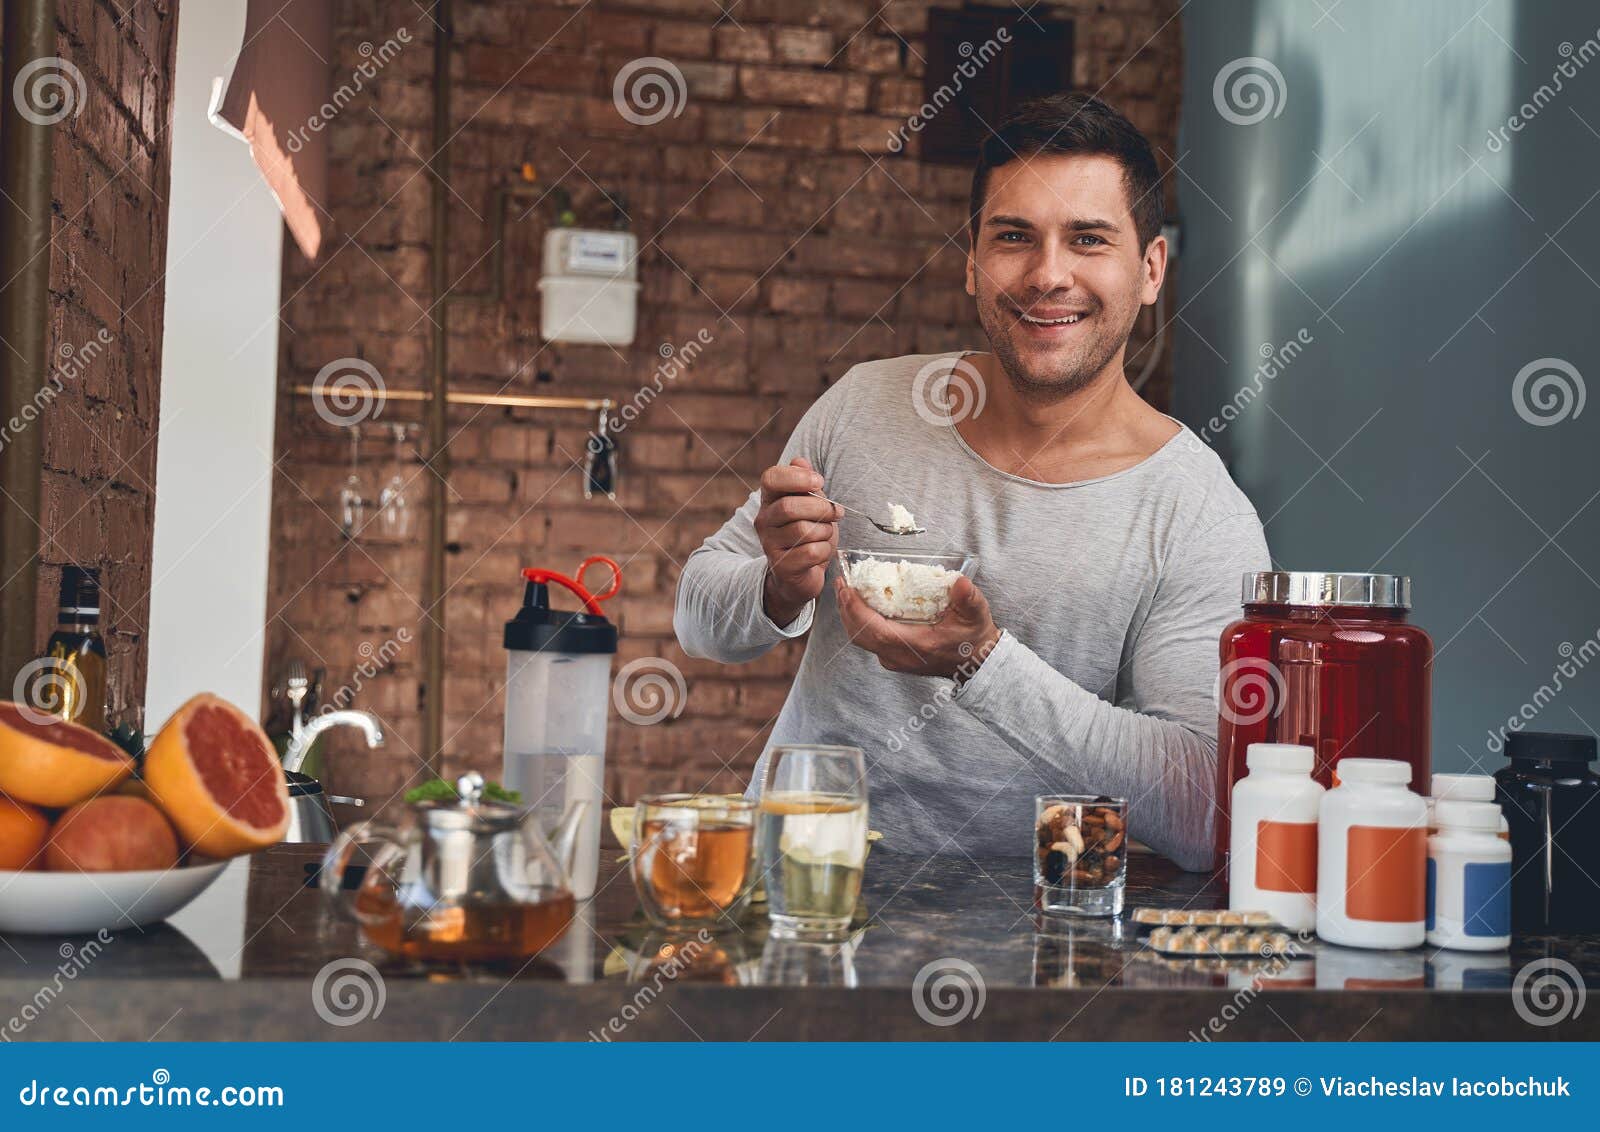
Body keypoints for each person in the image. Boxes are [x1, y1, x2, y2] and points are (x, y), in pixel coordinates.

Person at [674, 93, 1269, 870]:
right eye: (1014, 237)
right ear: (972, 261)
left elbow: (1207, 808)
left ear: (1151, 269)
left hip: (1035, 942)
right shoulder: (865, 406)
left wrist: (983, 664)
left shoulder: (1195, 511)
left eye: (1088, 239)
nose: (1048, 274)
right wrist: (778, 587)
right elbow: (696, 616)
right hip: (799, 895)